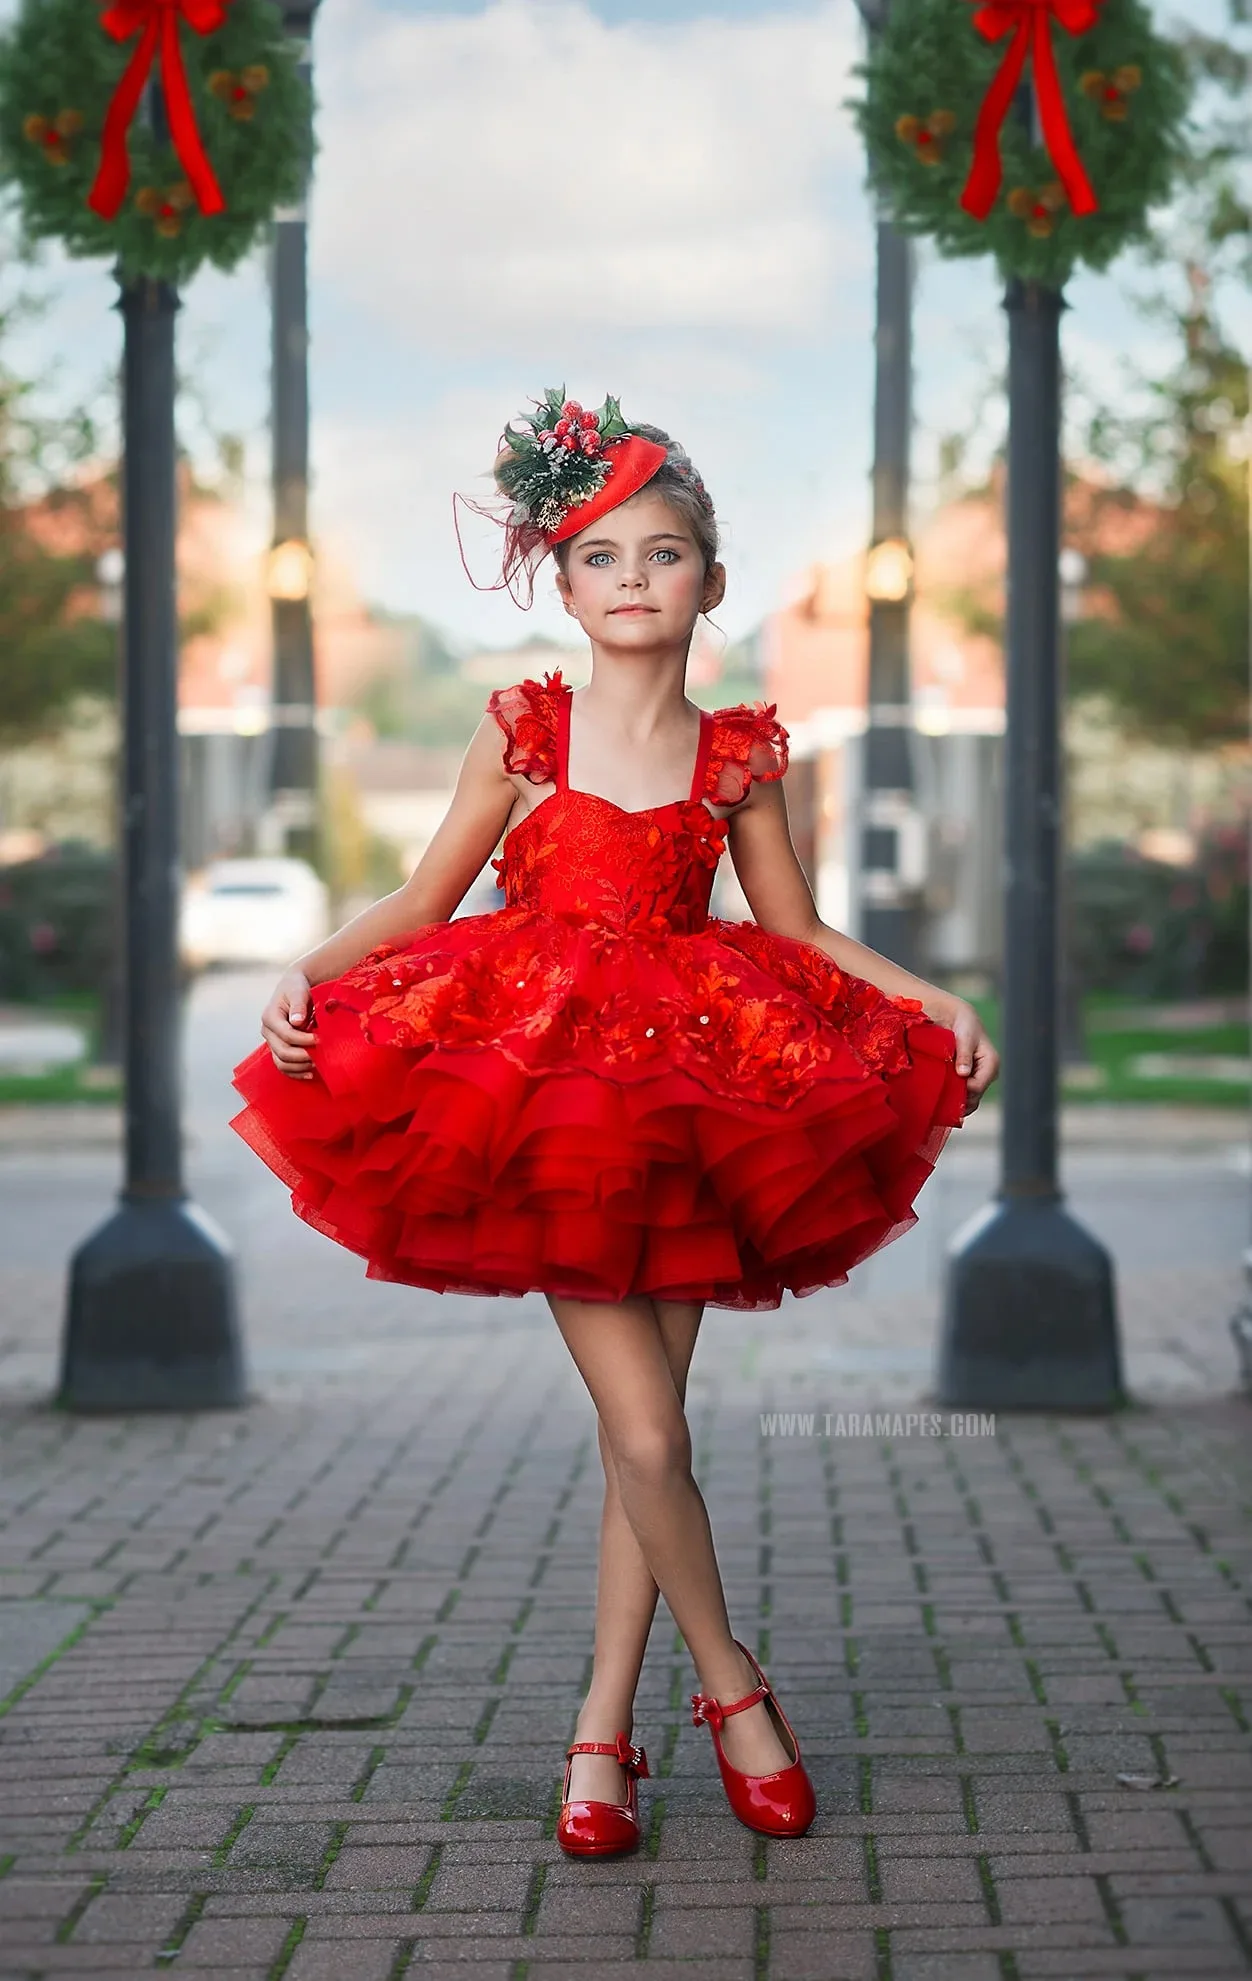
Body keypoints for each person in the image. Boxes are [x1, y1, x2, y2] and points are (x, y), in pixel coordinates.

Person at [231, 391, 999, 1858]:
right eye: (601, 556)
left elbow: (800, 929)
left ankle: (599, 1733)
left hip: (703, 1101)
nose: (633, 577)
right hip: (548, 1098)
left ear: (711, 580)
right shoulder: (525, 732)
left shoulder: (742, 758)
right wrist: (309, 969)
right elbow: (422, 898)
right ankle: (733, 1690)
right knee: (647, 1429)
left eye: (665, 553)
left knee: (638, 1443)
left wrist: (933, 1001)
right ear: (560, 581)